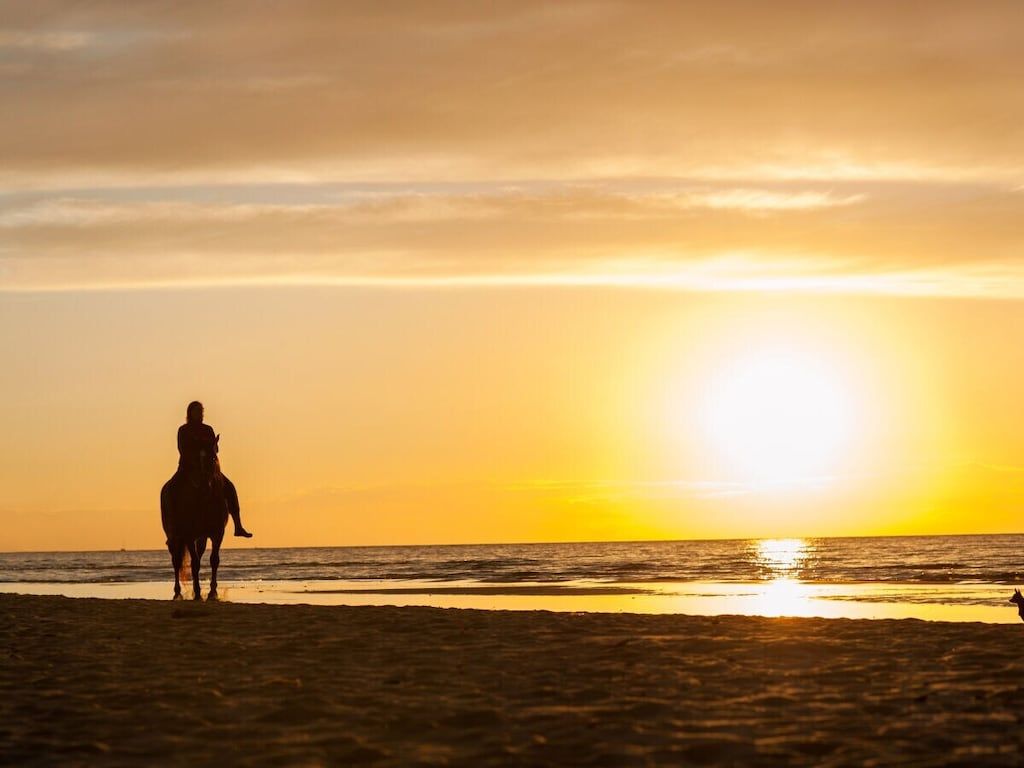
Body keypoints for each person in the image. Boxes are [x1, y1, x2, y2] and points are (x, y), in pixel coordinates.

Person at [173, 400, 253, 538]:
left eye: (201, 411)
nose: (200, 414)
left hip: (208, 469)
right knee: (171, 489)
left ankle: (238, 526)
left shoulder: (208, 429)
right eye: (197, 411)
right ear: (190, 413)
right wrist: (195, 455)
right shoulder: (183, 430)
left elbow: (215, 450)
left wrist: (213, 446)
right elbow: (182, 449)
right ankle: (173, 529)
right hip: (188, 468)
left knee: (230, 487)